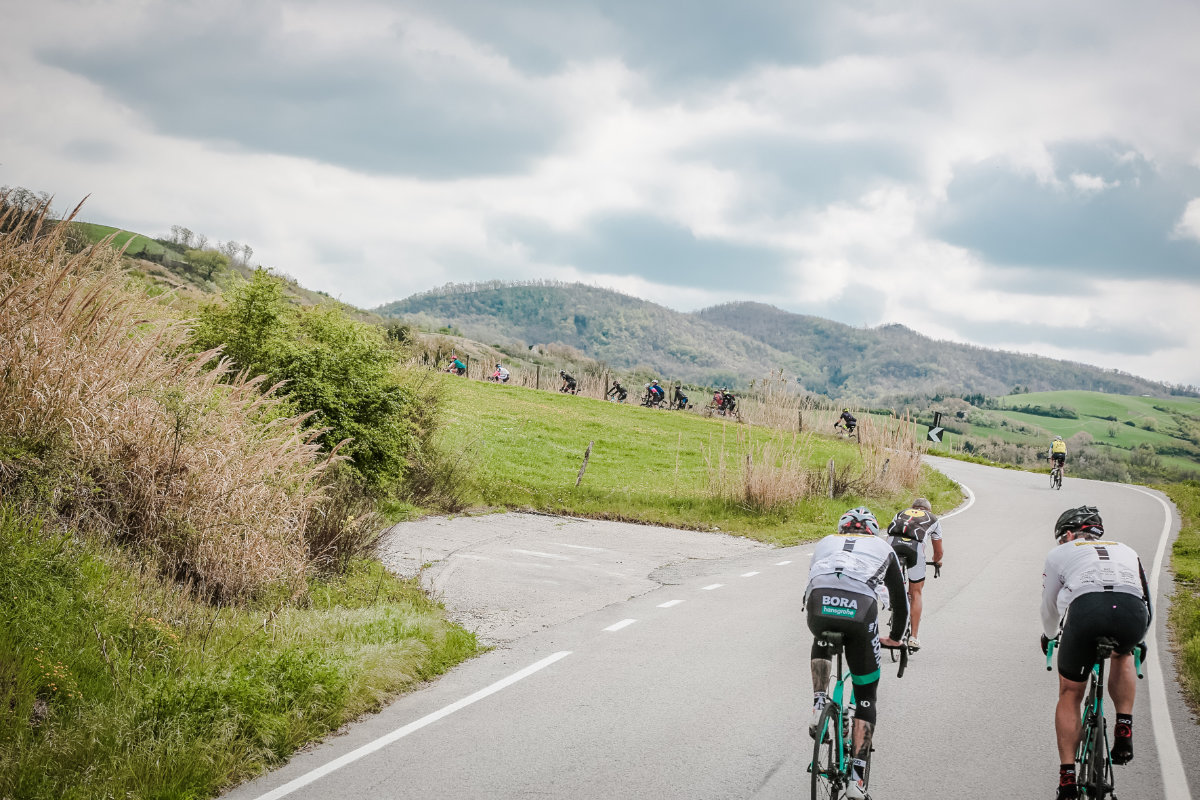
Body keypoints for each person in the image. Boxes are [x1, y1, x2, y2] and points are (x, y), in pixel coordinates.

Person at [1041, 505, 1151, 800]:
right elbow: (1146, 599)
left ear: (1067, 534)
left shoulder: (1059, 553)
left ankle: (1067, 781)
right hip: (1131, 612)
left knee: (1070, 692)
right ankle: (1124, 725)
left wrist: (1049, 637)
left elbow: (1050, 607)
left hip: (1088, 611)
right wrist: (1138, 638)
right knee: (1123, 654)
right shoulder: (1127, 550)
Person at [805, 507, 909, 800]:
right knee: (866, 696)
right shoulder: (883, 547)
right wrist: (895, 638)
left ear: (842, 528)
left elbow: (811, 584)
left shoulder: (825, 542)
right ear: (872, 531)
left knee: (821, 634)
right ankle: (857, 779)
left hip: (818, 603)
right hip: (860, 610)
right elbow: (900, 604)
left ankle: (818, 702)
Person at [885, 498, 944, 652]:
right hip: (915, 549)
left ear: (913, 508)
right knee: (916, 592)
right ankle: (914, 637)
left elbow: (888, 535)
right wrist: (936, 561)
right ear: (928, 510)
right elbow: (938, 551)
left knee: (890, 580)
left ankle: (893, 597)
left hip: (892, 546)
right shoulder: (933, 519)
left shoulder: (901, 513)